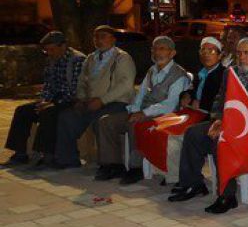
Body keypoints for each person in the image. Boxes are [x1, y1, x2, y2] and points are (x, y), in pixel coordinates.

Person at [168, 38, 248, 214]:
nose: (242, 57)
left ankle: (227, 195)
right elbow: (219, 100)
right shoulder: (230, 72)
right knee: (193, 133)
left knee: (221, 141)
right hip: (226, 122)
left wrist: (226, 125)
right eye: (239, 53)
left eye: (246, 53)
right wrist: (217, 119)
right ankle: (193, 184)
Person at [94, 36, 189, 185]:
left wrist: (143, 113)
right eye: (154, 48)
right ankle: (112, 165)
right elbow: (141, 94)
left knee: (135, 125)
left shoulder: (179, 75)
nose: (157, 52)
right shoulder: (152, 71)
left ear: (172, 53)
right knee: (106, 121)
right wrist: (134, 110)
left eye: (162, 48)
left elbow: (170, 104)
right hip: (144, 112)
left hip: (164, 116)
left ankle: (136, 168)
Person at [53, 25, 136, 169]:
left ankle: (110, 165)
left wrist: (102, 100)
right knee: (67, 117)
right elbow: (82, 81)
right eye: (95, 37)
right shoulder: (91, 58)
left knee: (101, 121)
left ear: (113, 39)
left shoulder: (122, 58)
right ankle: (67, 159)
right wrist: (81, 98)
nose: (98, 40)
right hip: (92, 102)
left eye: (103, 36)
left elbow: (125, 85)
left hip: (116, 102)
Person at [4, 31, 84, 166]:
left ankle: (48, 155)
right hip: (54, 98)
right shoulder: (51, 60)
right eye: (47, 50)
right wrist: (44, 101)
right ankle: (20, 153)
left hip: (71, 99)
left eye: (52, 49)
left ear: (63, 46)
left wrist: (54, 103)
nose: (49, 53)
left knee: (49, 113)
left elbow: (75, 89)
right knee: (23, 110)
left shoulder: (77, 60)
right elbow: (48, 84)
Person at [165, 37, 226, 187]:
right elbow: (192, 91)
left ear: (220, 55)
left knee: (177, 137)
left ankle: (185, 179)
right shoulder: (202, 73)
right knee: (164, 127)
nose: (206, 54)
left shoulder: (223, 74)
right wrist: (186, 96)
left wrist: (200, 104)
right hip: (195, 113)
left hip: (209, 117)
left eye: (211, 50)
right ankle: (178, 176)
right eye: (203, 50)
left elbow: (220, 102)